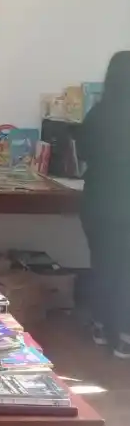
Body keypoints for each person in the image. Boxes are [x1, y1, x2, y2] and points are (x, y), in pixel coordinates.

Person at [79, 50, 130, 357]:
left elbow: (83, 152)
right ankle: (124, 337)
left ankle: (100, 326)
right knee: (126, 271)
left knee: (102, 264)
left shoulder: (98, 113)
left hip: (98, 201)